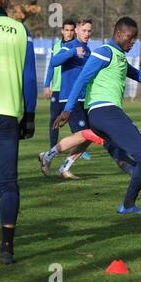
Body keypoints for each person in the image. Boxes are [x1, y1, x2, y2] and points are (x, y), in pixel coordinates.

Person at [53, 17, 141, 216]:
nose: (132, 42)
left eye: (134, 39)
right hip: (105, 112)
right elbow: (82, 79)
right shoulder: (104, 52)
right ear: (118, 34)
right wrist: (68, 110)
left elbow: (140, 75)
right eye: (130, 38)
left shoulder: (118, 56)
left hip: (106, 115)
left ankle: (129, 204)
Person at [0, 0, 37, 264]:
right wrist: (30, 116)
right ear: (4, 1)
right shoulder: (20, 30)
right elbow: (29, 78)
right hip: (7, 115)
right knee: (7, 184)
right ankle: (6, 248)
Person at [46, 18, 93, 179]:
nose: (87, 34)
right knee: (84, 134)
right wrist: (73, 52)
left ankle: (64, 167)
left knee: (89, 136)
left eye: (89, 31)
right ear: (77, 31)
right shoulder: (69, 47)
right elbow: (53, 62)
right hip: (69, 98)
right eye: (84, 30)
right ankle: (48, 156)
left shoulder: (88, 51)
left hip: (83, 99)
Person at [43, 19, 76, 149]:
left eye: (71, 30)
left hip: (71, 90)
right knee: (54, 119)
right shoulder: (56, 46)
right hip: (57, 89)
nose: (69, 33)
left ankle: (79, 147)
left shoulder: (77, 46)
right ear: (62, 31)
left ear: (75, 31)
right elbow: (52, 66)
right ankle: (52, 147)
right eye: (66, 30)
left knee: (74, 121)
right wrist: (47, 85)